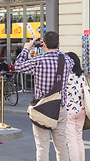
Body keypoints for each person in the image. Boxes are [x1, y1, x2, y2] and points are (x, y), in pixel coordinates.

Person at [15, 31, 74, 161]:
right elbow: (65, 63)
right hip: (60, 108)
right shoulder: (68, 61)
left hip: (42, 109)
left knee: (42, 147)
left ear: (43, 45)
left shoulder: (38, 60)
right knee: (61, 146)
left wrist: (26, 49)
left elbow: (17, 66)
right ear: (59, 44)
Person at [65, 52, 86, 161]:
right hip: (81, 110)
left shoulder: (66, 76)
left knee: (71, 140)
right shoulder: (82, 76)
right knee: (79, 138)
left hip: (69, 111)